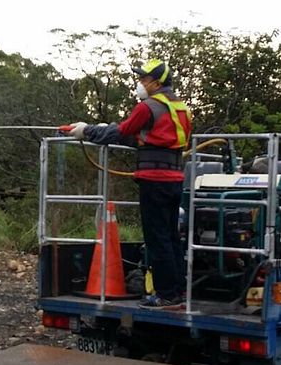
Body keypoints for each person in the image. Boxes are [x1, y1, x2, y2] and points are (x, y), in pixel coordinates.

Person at [63, 59, 193, 309]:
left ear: (156, 83)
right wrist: (103, 129)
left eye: (144, 79)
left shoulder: (148, 107)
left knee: (157, 239)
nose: (140, 83)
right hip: (175, 180)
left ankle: (166, 294)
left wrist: (87, 131)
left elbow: (122, 133)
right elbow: (150, 139)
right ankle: (177, 289)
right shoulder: (180, 108)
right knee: (171, 236)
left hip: (154, 181)